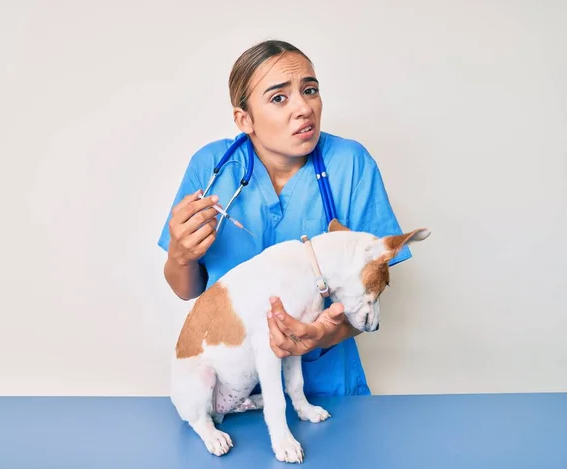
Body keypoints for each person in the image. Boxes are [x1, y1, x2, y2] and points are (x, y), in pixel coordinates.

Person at [158, 39, 411, 397]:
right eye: (279, 97)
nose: (304, 108)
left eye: (310, 90)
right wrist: (180, 256)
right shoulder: (211, 168)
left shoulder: (350, 165)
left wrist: (321, 334)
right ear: (245, 119)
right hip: (229, 381)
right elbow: (187, 290)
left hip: (325, 386)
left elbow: (366, 294)